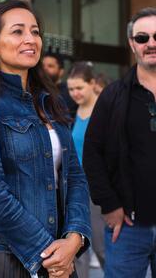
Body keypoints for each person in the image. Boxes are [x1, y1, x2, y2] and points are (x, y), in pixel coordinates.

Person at [0, 0, 91, 278]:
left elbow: (75, 176)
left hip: (57, 257)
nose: (31, 39)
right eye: (18, 32)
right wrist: (49, 253)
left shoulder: (52, 103)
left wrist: (74, 239)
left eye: (35, 31)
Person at [83, 7, 156, 277]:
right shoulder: (113, 96)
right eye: (142, 37)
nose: (151, 43)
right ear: (132, 44)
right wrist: (110, 205)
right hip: (128, 228)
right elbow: (92, 153)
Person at [67, 62, 105, 277]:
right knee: (76, 247)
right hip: (76, 187)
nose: (75, 93)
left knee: (101, 246)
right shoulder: (71, 110)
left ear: (93, 84)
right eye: (71, 89)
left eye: (79, 87)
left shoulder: (104, 110)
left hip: (97, 187)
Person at [42, 52, 77, 118]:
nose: (45, 69)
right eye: (43, 66)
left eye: (50, 66)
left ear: (61, 71)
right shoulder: (34, 89)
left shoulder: (70, 91)